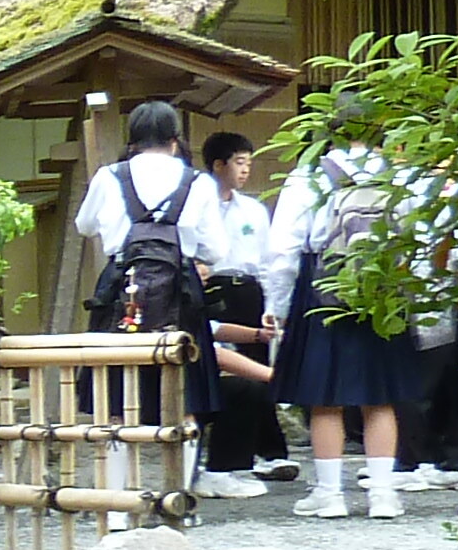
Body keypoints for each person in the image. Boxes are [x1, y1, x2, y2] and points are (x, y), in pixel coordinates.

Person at [259, 103, 419, 519]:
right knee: (379, 397)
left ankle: (329, 494)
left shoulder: (310, 176)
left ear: (331, 132)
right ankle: (383, 494)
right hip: (380, 291)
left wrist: (276, 306)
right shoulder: (398, 176)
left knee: (324, 397)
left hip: (323, 288)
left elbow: (282, 250)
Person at [75, 100, 235, 472]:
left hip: (121, 290)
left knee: (115, 401)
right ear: (175, 140)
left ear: (132, 140)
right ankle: (180, 494)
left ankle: (116, 502)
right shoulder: (198, 182)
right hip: (180, 292)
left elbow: (84, 226)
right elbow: (216, 249)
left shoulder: (108, 176)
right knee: (188, 399)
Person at [196, 132, 295, 486]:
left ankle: (271, 452)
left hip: (248, 288)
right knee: (221, 367)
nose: (245, 170)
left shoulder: (252, 209)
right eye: (239, 162)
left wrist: (272, 304)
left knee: (256, 366)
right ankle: (234, 455)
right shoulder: (196, 203)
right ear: (218, 164)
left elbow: (268, 262)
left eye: (249, 163)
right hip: (211, 284)